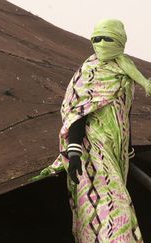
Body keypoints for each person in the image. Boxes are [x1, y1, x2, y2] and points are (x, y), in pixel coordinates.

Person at [36, 19, 151, 242]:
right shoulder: (90, 71)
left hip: (115, 150)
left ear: (120, 41)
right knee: (116, 210)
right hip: (93, 147)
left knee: (109, 204)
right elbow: (78, 112)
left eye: (107, 38)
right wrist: (75, 152)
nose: (100, 43)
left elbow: (124, 114)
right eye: (96, 39)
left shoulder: (126, 71)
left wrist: (128, 150)